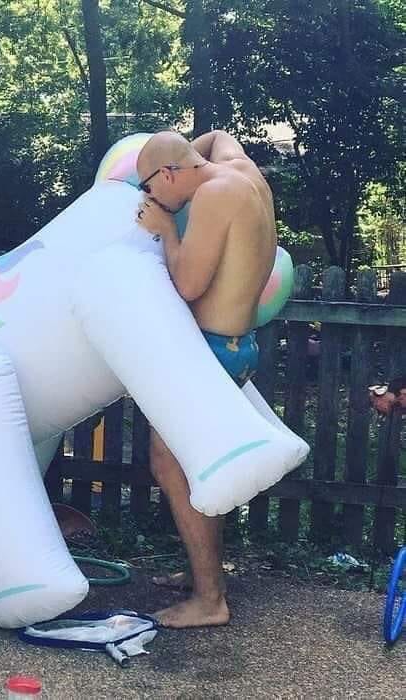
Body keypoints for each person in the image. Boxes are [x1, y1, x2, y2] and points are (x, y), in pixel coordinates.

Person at [135, 129, 277, 628]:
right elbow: (220, 136)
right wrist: (181, 151)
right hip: (239, 346)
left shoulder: (214, 194)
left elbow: (188, 285)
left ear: (168, 174)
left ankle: (210, 599)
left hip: (213, 350)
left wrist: (165, 228)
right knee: (198, 466)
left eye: (149, 188)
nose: (150, 199)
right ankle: (203, 573)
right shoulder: (244, 172)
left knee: (170, 463)